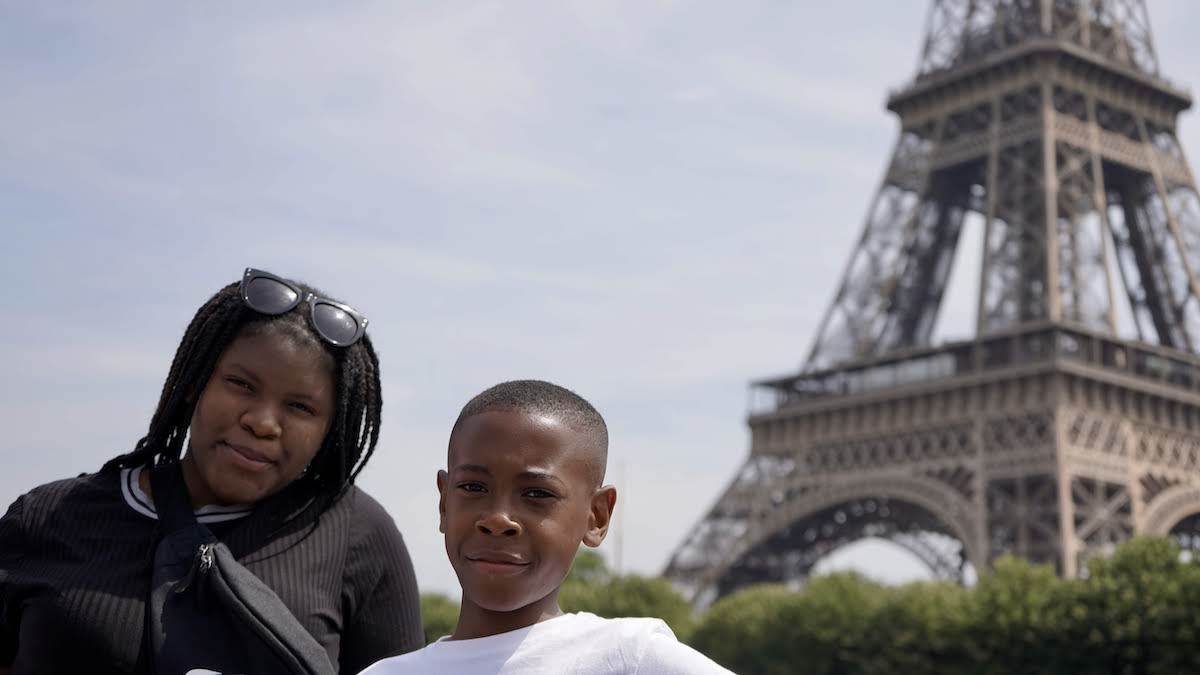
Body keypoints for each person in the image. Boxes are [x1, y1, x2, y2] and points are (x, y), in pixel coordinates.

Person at [0, 268, 422, 674]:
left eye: (300, 407)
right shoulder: (46, 517)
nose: (263, 422)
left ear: (330, 429)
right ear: (194, 382)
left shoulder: (358, 537)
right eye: (241, 384)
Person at [360, 380, 732, 674]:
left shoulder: (631, 659)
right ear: (443, 502)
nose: (498, 519)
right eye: (473, 487)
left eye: (537, 493)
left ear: (597, 516)